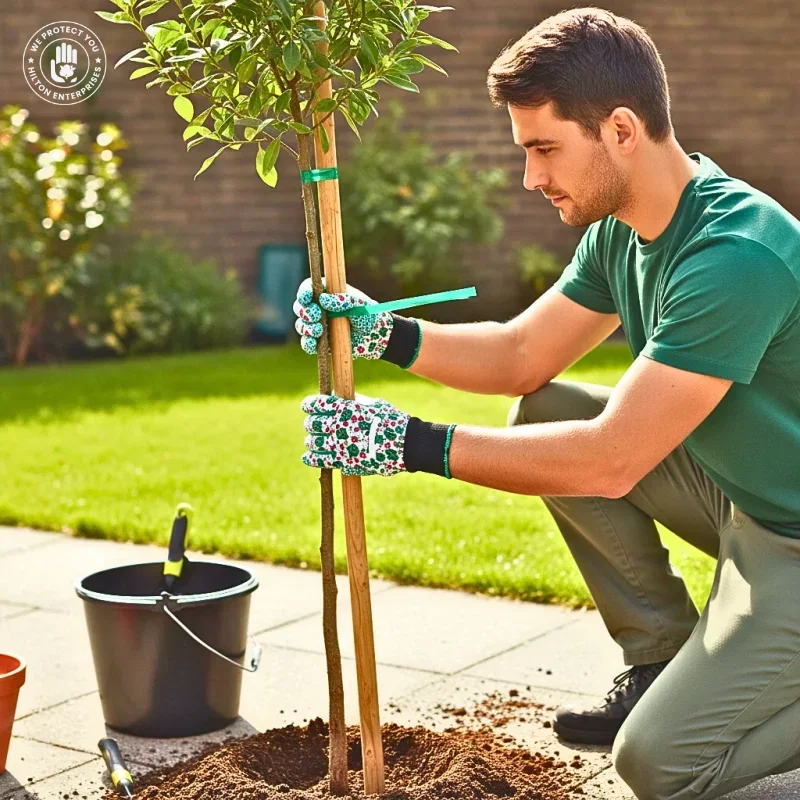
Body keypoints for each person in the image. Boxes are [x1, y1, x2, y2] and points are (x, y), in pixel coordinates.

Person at [293, 7, 800, 800]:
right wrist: (380, 332)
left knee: (658, 764)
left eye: (544, 148)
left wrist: (408, 443)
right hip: (740, 493)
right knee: (544, 408)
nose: (532, 177)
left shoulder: (733, 254)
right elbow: (521, 355)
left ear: (621, 130)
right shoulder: (624, 230)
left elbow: (610, 460)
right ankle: (661, 659)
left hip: (792, 542)